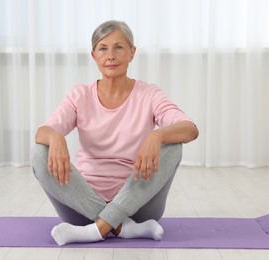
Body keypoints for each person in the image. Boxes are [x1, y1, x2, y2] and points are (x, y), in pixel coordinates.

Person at [30, 20, 198, 246]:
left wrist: (156, 136)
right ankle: (121, 228)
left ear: (132, 53)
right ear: (94, 56)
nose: (111, 55)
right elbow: (43, 132)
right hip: (82, 208)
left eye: (118, 47)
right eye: (103, 48)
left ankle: (94, 231)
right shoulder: (80, 95)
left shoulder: (149, 94)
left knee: (173, 144)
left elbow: (189, 129)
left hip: (139, 205)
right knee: (39, 152)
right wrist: (55, 136)